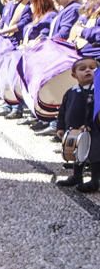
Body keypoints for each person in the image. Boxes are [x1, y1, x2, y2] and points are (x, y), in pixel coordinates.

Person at [55, 57, 98, 190]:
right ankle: (77, 176)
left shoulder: (96, 91)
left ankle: (95, 180)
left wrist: (90, 124)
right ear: (74, 74)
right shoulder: (71, 92)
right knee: (77, 153)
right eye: (82, 68)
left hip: (93, 129)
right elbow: (62, 110)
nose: (88, 71)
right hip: (73, 129)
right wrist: (60, 126)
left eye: (92, 68)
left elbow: (95, 110)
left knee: (95, 154)